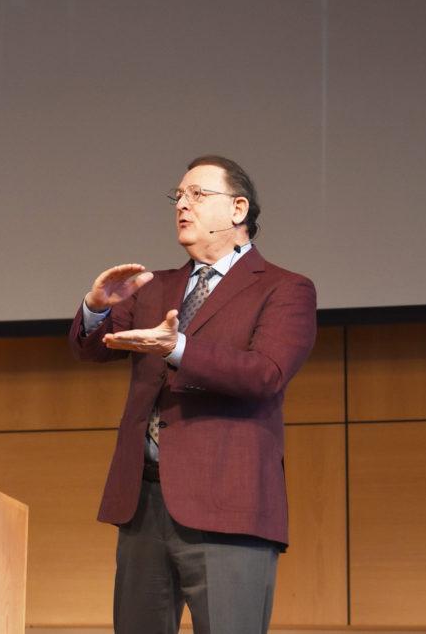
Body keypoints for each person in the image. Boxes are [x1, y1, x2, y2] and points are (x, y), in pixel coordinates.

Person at [69, 155, 317, 634]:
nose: (182, 204)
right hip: (143, 504)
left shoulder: (286, 289)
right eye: (178, 197)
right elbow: (92, 350)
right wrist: (95, 308)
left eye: (198, 195)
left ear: (238, 209)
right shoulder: (153, 288)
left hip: (229, 505)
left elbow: (265, 374)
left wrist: (178, 347)